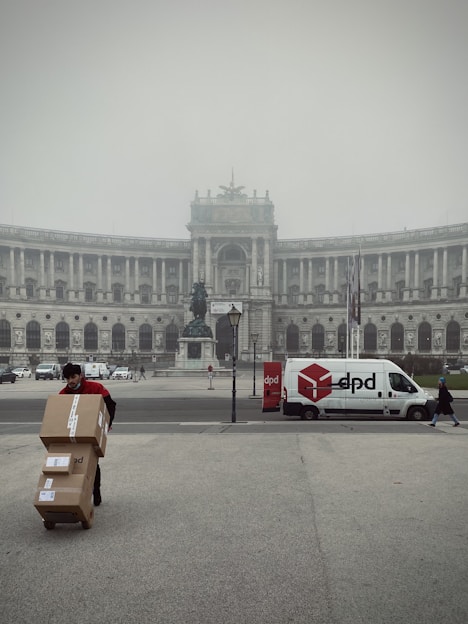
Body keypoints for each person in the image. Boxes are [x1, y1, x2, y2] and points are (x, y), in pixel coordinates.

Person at [59, 362, 116, 505]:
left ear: (80, 376)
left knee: (92, 463)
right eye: (68, 379)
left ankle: (96, 491)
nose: (71, 381)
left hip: (90, 432)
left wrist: (106, 424)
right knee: (73, 463)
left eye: (73, 377)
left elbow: (110, 405)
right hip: (72, 434)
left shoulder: (95, 388)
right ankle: (74, 493)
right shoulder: (63, 394)